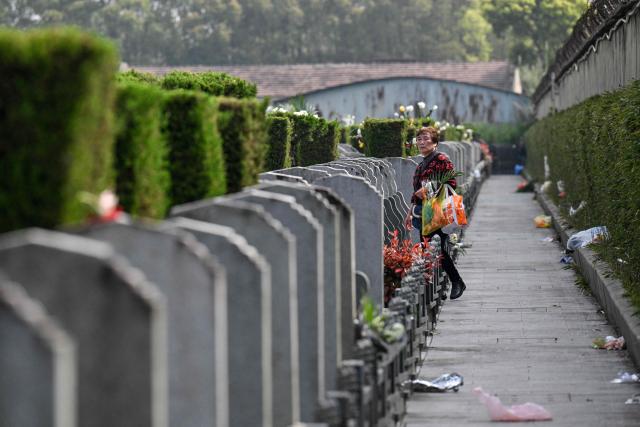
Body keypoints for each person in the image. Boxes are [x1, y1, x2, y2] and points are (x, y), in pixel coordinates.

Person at [403, 126, 466, 300]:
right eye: (419, 139)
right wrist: (409, 213)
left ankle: (455, 281)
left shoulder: (441, 159)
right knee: (429, 249)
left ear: (435, 142)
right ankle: (441, 287)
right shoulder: (420, 164)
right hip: (422, 212)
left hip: (437, 210)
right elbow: (416, 193)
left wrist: (427, 190)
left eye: (425, 138)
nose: (421, 142)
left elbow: (451, 182)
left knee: (434, 249)